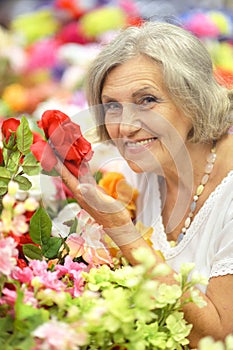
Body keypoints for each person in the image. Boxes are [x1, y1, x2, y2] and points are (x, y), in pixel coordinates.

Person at [54, 21, 233, 348]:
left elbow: (220, 337)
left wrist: (122, 230)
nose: (125, 125)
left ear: (192, 100)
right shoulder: (133, 172)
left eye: (147, 100)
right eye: (112, 106)